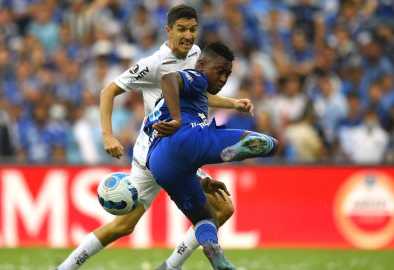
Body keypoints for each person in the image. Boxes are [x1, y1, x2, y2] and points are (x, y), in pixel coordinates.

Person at [55, 4, 249, 270]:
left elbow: (198, 93)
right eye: (181, 29)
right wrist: (107, 136)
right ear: (168, 31)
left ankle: (66, 268)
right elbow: (107, 92)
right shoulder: (153, 64)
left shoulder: (195, 56)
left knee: (124, 225)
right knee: (219, 209)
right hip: (155, 151)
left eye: (193, 29)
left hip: (178, 145)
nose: (188, 35)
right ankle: (170, 266)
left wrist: (232, 103)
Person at [145, 42, 279, 270]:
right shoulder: (197, 77)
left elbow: (175, 150)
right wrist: (177, 119)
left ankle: (209, 251)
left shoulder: (190, 96)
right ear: (202, 64)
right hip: (185, 136)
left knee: (206, 218)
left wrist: (200, 180)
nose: (224, 78)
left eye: (228, 74)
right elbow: (168, 79)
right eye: (220, 71)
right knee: (271, 144)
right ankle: (236, 151)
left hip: (158, 161)